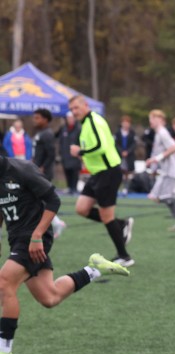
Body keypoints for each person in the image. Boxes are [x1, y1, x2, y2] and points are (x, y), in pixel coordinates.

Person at [0, 154, 130, 354]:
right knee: (50, 298)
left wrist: (37, 236)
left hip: (35, 237)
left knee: (4, 282)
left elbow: (53, 200)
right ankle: (95, 269)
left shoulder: (22, 169)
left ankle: (4, 352)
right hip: (18, 240)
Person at [68, 95, 134, 267]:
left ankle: (124, 256)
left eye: (77, 107)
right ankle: (121, 224)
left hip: (108, 173)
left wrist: (80, 152)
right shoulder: (85, 124)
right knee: (81, 209)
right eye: (72, 109)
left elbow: (100, 146)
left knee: (106, 216)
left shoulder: (94, 121)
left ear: (85, 105)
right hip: (97, 174)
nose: (74, 112)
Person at [145, 110, 175, 231]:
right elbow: (157, 153)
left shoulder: (163, 133)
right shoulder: (158, 134)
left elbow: (174, 148)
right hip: (166, 172)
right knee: (163, 199)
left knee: (159, 197)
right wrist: (153, 165)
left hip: (171, 172)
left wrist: (156, 159)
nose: (150, 121)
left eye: (151, 118)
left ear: (158, 119)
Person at [31, 109, 67, 237]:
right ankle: (56, 222)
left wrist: (43, 168)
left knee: (42, 200)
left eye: (37, 118)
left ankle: (55, 223)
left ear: (45, 119)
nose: (34, 120)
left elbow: (51, 154)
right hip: (35, 170)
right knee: (37, 200)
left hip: (42, 173)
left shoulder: (47, 134)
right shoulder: (40, 133)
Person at [57, 111, 81, 195]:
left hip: (75, 157)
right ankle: (69, 188)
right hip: (65, 156)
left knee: (74, 173)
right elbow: (59, 140)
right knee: (67, 172)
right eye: (68, 118)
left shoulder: (79, 128)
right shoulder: (63, 128)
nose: (70, 120)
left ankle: (74, 189)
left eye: (71, 118)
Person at [114, 115, 137, 196]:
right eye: (124, 123)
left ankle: (126, 188)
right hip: (119, 155)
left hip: (129, 156)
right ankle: (116, 188)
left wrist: (128, 152)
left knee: (127, 172)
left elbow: (134, 144)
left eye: (127, 123)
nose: (125, 125)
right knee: (119, 172)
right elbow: (115, 144)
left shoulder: (132, 132)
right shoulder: (117, 132)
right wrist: (121, 151)